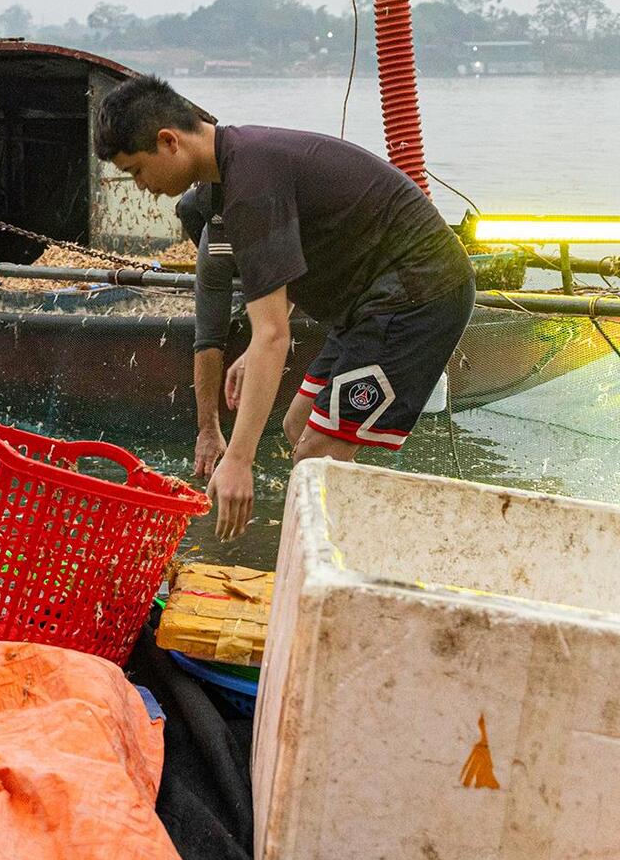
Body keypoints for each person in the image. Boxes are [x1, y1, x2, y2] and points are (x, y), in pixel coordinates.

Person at [97, 75, 473, 540]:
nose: (142, 188)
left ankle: (376, 552)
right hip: (368, 301)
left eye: (136, 171)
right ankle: (354, 543)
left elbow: (274, 335)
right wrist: (256, 349)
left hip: (418, 296)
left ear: (168, 141)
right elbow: (291, 275)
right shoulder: (237, 166)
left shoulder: (251, 184)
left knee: (316, 455)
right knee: (299, 426)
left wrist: (238, 460)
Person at [175, 184, 236, 483]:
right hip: (223, 240)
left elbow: (273, 331)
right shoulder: (215, 233)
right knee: (186, 204)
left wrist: (241, 456)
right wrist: (208, 427)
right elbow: (209, 337)